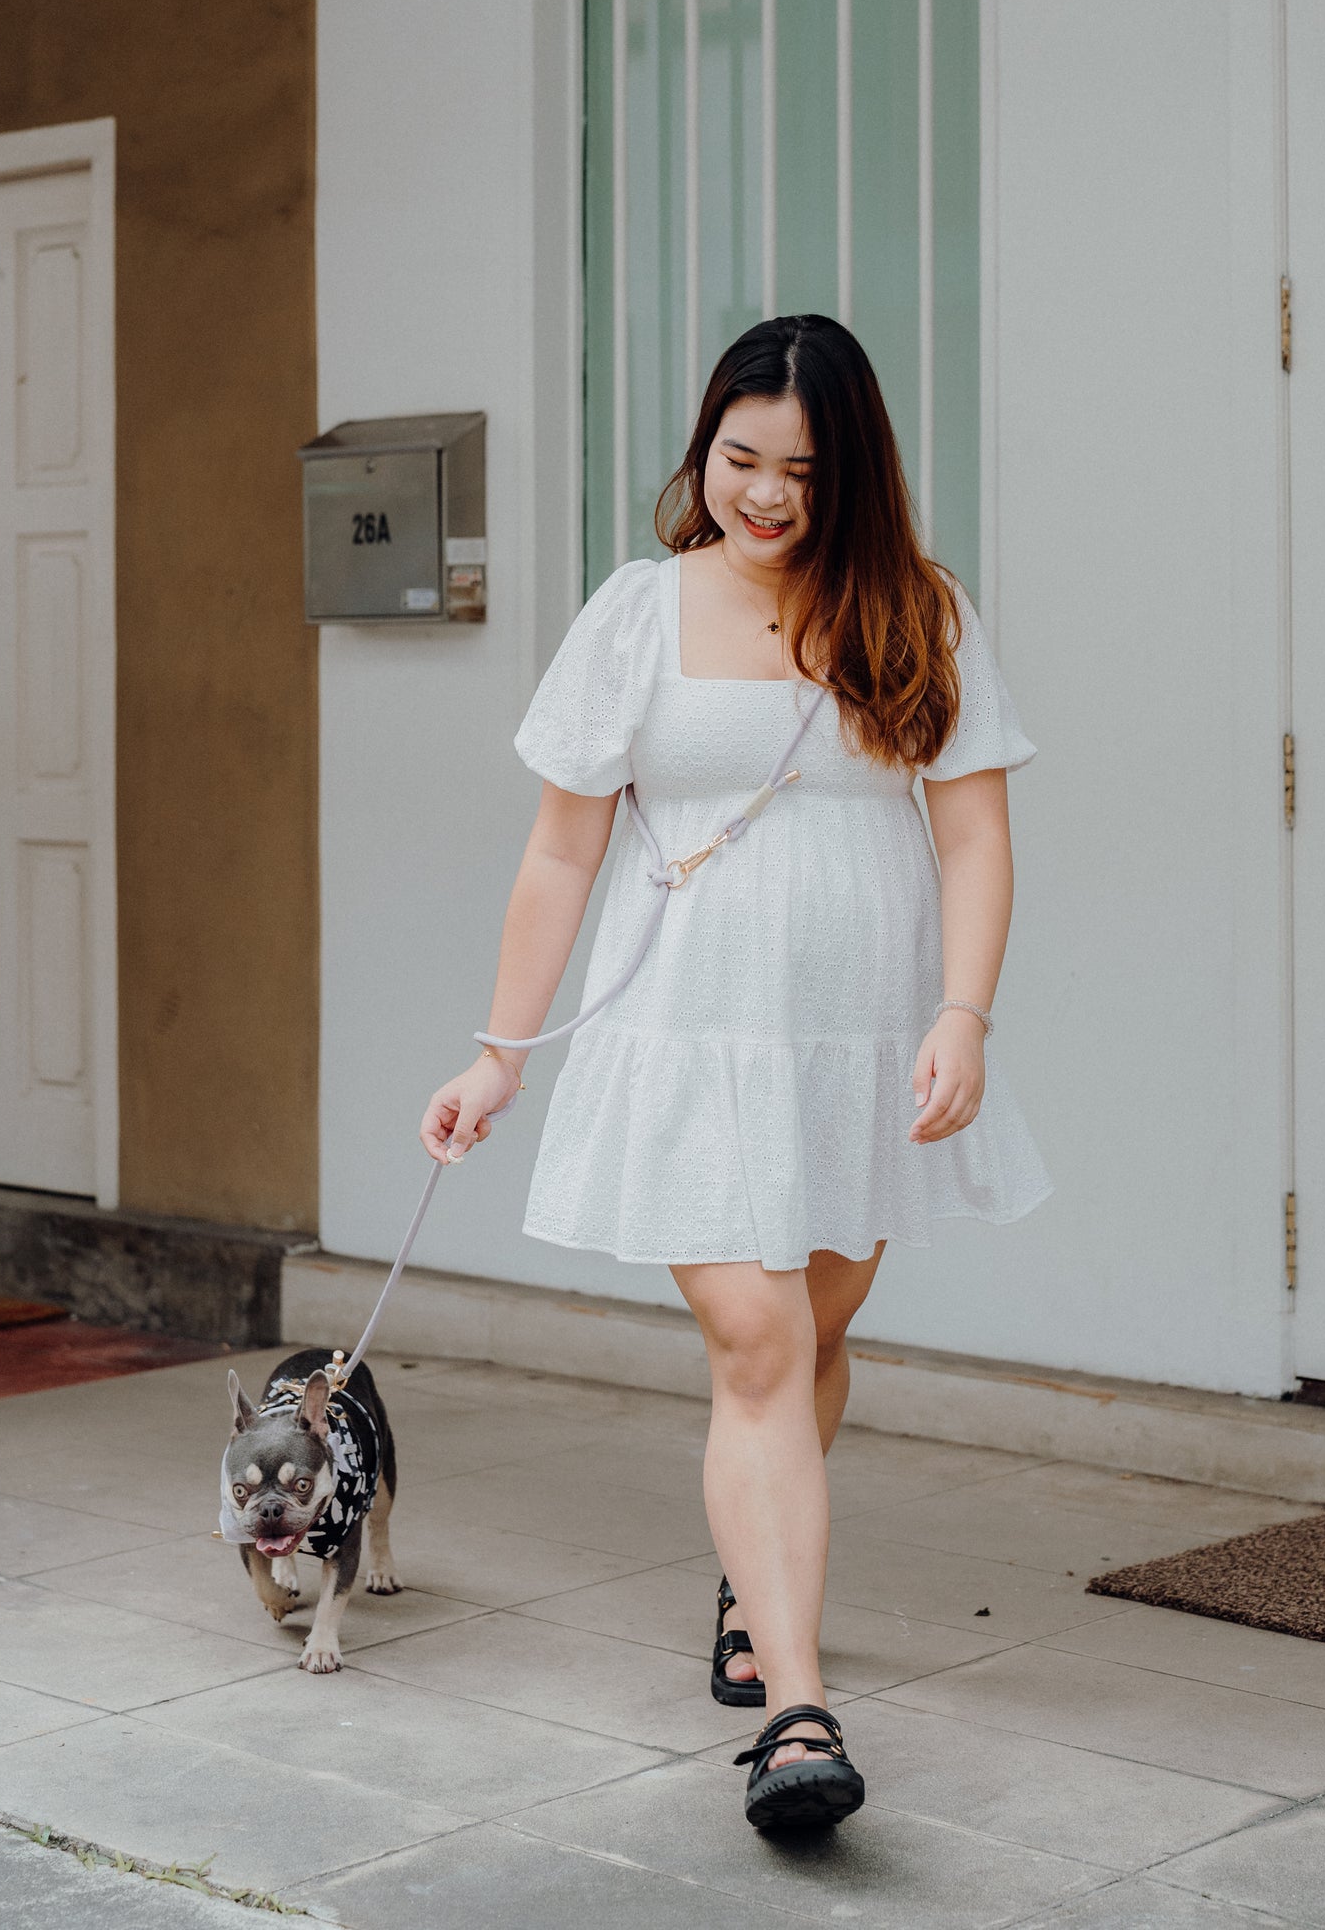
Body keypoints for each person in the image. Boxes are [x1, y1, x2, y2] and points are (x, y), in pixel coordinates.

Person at [421, 314, 1052, 1831]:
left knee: (818, 1334)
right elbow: (560, 849)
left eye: (802, 473)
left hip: (856, 1043)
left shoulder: (918, 610)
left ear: (857, 479)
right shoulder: (637, 613)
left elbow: (970, 832)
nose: (763, 498)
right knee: (758, 1346)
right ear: (702, 452)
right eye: (738, 460)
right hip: (683, 1041)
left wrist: (962, 1015)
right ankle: (795, 1717)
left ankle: (750, 1583)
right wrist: (500, 1052)